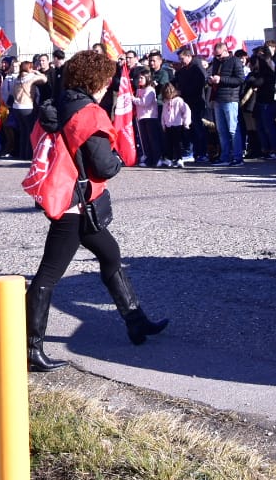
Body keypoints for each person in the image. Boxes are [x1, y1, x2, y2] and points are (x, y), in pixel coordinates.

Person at [24, 49, 168, 372]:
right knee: (47, 275)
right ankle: (30, 348)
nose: (107, 86)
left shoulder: (57, 105)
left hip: (72, 199)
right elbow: (103, 164)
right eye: (105, 80)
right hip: (75, 204)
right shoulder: (88, 112)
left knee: (111, 254)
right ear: (95, 81)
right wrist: (119, 160)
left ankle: (136, 322)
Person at [207, 43, 246, 166]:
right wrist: (210, 80)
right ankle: (224, 157)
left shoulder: (235, 61)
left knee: (233, 129)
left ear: (225, 51)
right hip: (218, 98)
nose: (217, 57)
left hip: (230, 99)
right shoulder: (216, 62)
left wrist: (221, 79)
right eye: (215, 55)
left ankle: (237, 157)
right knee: (221, 130)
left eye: (219, 55)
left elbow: (240, 79)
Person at [171, 45, 210, 164]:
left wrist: (183, 91)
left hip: (196, 101)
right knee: (190, 128)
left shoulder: (196, 66)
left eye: (182, 59)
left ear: (189, 56)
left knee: (198, 127)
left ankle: (203, 153)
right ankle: (194, 152)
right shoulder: (183, 70)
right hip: (186, 102)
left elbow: (200, 83)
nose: (181, 61)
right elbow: (177, 80)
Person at [132, 69, 161, 167]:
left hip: (150, 117)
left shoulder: (150, 90)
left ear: (147, 78)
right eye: (139, 77)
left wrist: (133, 99)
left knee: (153, 139)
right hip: (141, 117)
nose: (139, 79)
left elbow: (145, 103)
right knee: (145, 140)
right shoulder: (139, 90)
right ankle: (148, 159)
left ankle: (156, 159)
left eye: (142, 78)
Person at [158, 82, 190, 168]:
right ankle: (169, 159)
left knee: (178, 143)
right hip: (168, 125)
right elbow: (163, 114)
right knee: (168, 143)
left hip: (178, 125)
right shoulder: (165, 102)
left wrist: (186, 123)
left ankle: (179, 159)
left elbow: (186, 111)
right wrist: (163, 124)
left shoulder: (179, 100)